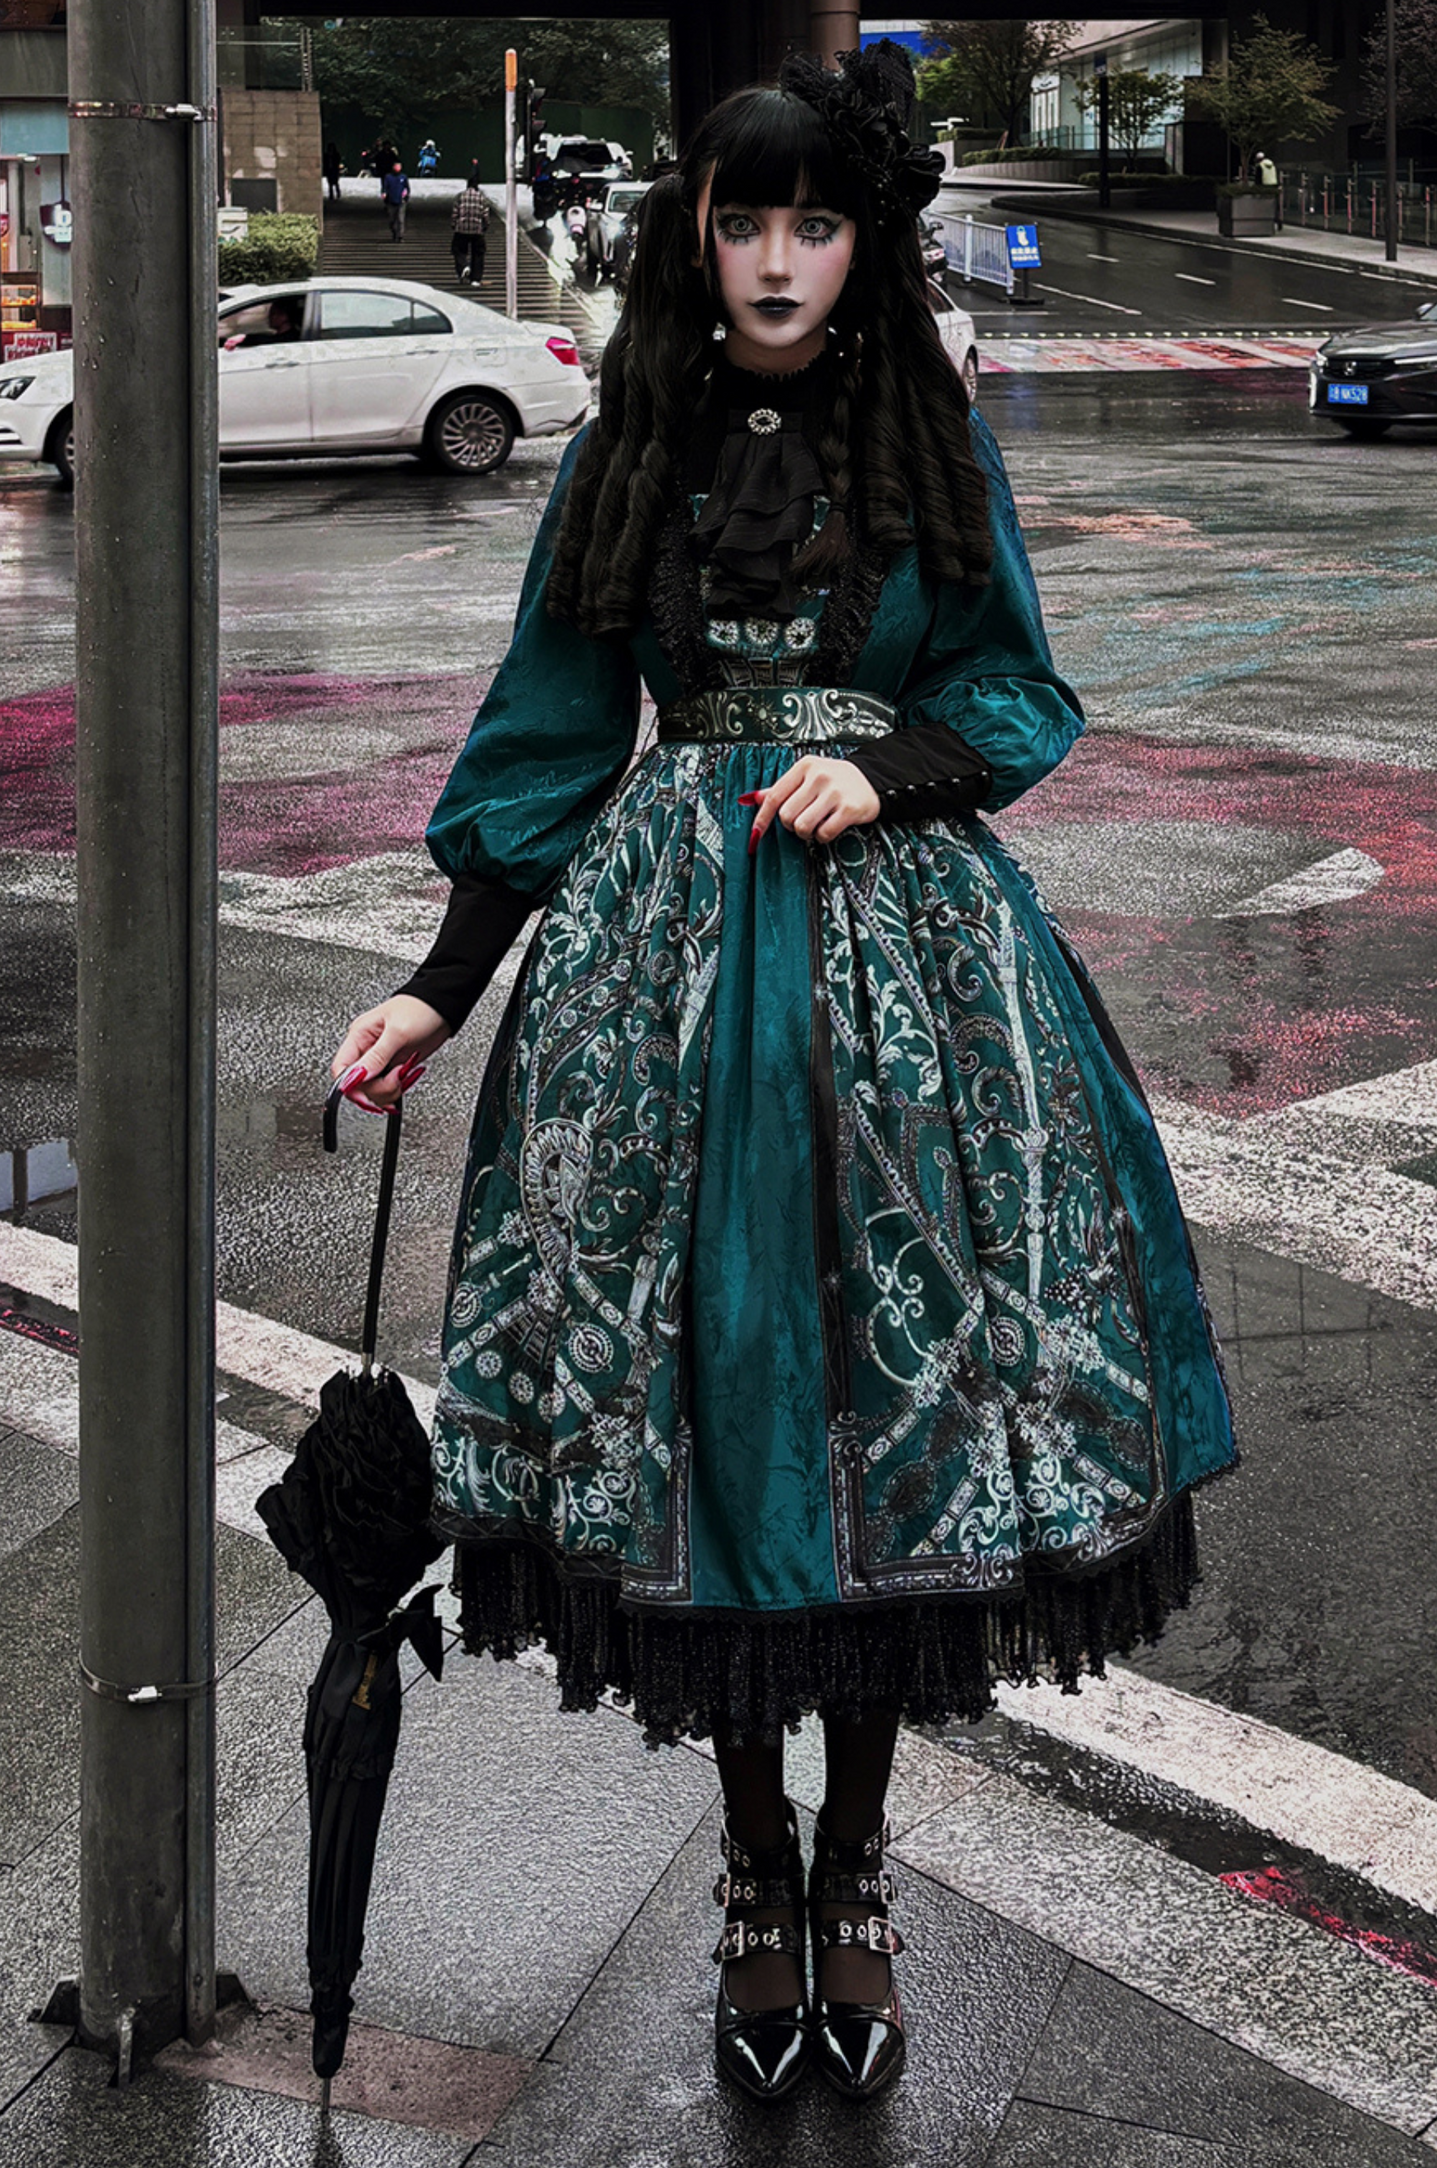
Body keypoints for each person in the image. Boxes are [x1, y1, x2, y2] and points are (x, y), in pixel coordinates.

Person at [331, 42, 1235, 2109]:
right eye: (742, 221)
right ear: (695, 235)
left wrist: (890, 759)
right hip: (664, 978)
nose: (773, 260)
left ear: (863, 240)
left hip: (904, 964)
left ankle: (855, 1866)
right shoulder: (628, 444)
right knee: (707, 1415)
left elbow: (1010, 676)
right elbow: (553, 727)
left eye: (811, 221)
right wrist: (441, 985)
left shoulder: (924, 428)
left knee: (883, 1421)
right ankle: (754, 1871)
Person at [451, 169, 493, 286]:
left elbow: (455, 213)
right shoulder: (482, 198)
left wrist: (454, 224)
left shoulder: (460, 196)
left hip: (461, 229)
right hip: (477, 230)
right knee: (478, 254)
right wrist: (485, 227)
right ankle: (475, 279)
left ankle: (463, 266)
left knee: (458, 250)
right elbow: (485, 215)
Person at [382, 160, 411, 243]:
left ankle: (400, 236)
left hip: (401, 201)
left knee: (400, 219)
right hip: (391, 201)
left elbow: (407, 188)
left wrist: (406, 196)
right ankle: (394, 233)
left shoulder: (403, 177)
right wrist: (384, 194)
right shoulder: (388, 177)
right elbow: (385, 187)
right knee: (392, 220)